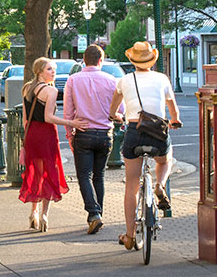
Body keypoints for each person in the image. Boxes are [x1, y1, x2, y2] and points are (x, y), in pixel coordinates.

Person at [109, 41, 181, 250]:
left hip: (133, 131)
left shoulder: (124, 80)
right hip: (157, 131)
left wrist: (116, 116)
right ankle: (160, 184)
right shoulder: (162, 79)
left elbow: (113, 109)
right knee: (165, 159)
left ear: (132, 60)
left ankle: (130, 235)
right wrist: (174, 120)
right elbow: (173, 108)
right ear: (152, 59)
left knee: (131, 184)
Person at [19, 57, 89, 232]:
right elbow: (48, 117)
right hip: (46, 134)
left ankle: (33, 213)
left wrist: (25, 140)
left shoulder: (27, 88)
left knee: (35, 172)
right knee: (50, 172)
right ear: (40, 72)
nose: (53, 72)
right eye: (49, 69)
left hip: (31, 134)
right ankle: (44, 214)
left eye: (54, 69)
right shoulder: (50, 91)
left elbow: (25, 119)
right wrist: (71, 123)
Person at [63, 44, 120, 234]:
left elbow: (68, 111)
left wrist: (69, 133)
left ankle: (94, 213)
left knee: (84, 176)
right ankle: (97, 213)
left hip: (84, 132)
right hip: (105, 133)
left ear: (83, 60)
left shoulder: (73, 80)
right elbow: (119, 111)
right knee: (99, 176)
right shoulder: (112, 80)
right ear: (100, 60)